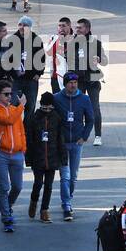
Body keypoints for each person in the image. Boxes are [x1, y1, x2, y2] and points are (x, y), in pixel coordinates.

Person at [51, 72, 94, 221]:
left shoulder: (84, 99)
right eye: (70, 82)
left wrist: (84, 136)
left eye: (75, 82)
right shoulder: (56, 98)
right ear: (65, 84)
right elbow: (51, 119)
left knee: (73, 177)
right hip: (62, 143)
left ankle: (68, 196)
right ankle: (67, 205)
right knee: (65, 176)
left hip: (76, 143)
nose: (73, 85)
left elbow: (90, 120)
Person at [0, 80, 27, 233]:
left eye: (10, 94)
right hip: (1, 155)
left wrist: (23, 148)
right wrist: (22, 106)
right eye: (6, 94)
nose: (9, 97)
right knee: (4, 187)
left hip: (17, 154)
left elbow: (20, 130)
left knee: (17, 187)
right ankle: (6, 217)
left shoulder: (14, 109)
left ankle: (8, 207)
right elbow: (9, 121)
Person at [24, 92, 66, 223]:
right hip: (38, 156)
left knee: (49, 185)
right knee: (38, 183)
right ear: (40, 106)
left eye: (49, 108)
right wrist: (28, 158)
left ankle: (44, 210)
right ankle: (34, 201)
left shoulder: (57, 118)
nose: (47, 111)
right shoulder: (33, 118)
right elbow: (29, 140)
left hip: (53, 157)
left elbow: (61, 139)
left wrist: (63, 158)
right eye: (44, 108)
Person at [70, 18, 106, 144]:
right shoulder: (71, 42)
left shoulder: (96, 43)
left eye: (80, 27)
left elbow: (104, 60)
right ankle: (78, 135)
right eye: (76, 27)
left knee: (94, 108)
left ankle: (98, 136)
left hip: (92, 81)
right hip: (78, 81)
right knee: (77, 108)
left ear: (87, 29)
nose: (77, 30)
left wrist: (99, 59)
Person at [3, 14, 45, 111]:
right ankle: (14, 126)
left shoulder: (36, 39)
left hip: (31, 79)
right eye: (20, 24)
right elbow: (6, 59)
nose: (22, 27)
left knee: (30, 106)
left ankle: (28, 126)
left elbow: (41, 58)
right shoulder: (11, 40)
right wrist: (9, 75)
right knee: (13, 105)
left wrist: (38, 73)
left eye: (25, 25)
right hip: (15, 79)